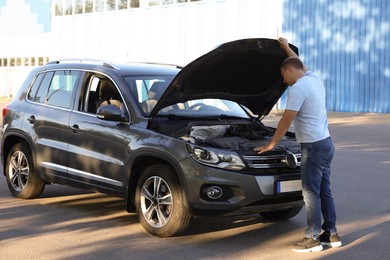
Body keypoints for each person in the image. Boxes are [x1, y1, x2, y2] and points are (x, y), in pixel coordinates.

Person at [254, 37, 342, 253]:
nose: (283, 81)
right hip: (326, 144)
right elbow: (298, 62)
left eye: (283, 75)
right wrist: (285, 47)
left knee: (310, 193)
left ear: (289, 71)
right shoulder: (314, 79)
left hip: (312, 147)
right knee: (324, 191)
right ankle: (331, 234)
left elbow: (286, 119)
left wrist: (272, 144)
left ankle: (312, 238)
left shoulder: (298, 89)